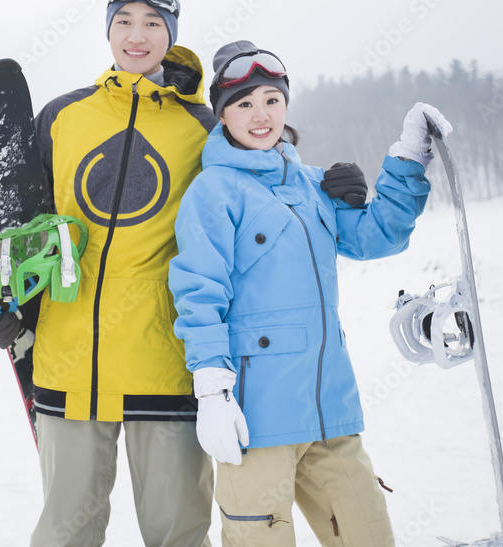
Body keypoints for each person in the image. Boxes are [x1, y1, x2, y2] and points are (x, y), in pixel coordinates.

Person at [168, 40, 452, 546]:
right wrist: (212, 389)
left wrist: (408, 157)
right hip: (256, 423)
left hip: (329, 412)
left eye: (272, 101)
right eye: (244, 104)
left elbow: (378, 235)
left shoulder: (311, 184)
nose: (261, 116)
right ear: (223, 115)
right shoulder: (213, 192)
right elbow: (198, 292)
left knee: (368, 536)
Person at [0, 0, 217, 546]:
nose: (138, 36)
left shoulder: (203, 127)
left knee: (178, 532)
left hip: (166, 359)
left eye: (153, 23)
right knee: (65, 531)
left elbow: (249, 212)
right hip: (68, 360)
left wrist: (325, 188)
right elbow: (26, 227)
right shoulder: (63, 117)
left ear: (171, 34)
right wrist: (10, 307)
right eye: (125, 22)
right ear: (108, 31)